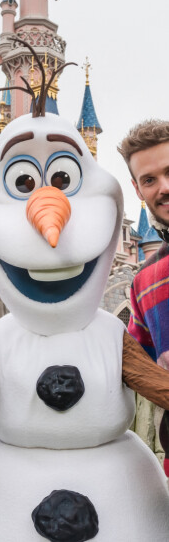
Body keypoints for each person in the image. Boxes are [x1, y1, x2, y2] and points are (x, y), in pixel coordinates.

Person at [118, 118, 169, 475]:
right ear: (138, 191)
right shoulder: (145, 281)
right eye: (149, 180)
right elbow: (136, 366)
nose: (163, 187)